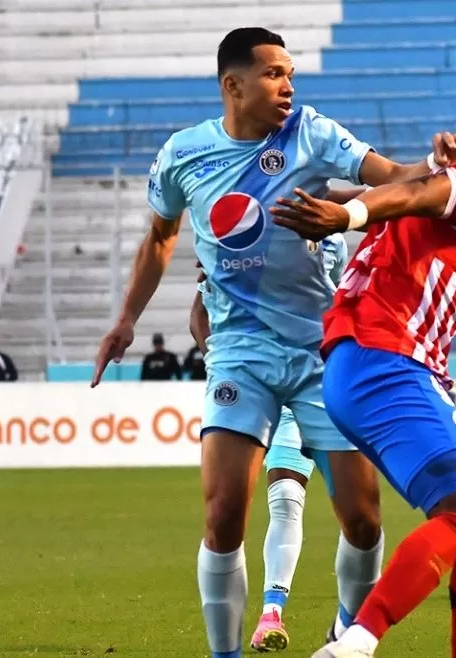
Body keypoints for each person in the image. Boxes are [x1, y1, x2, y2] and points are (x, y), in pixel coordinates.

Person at [90, 27, 456, 658]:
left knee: (363, 518)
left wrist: (439, 162)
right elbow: (161, 237)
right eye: (273, 74)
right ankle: (226, 654)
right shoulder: (184, 155)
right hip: (240, 346)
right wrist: (127, 318)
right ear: (232, 85)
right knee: (222, 516)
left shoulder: (312, 133)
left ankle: (345, 631)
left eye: (291, 74)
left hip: (326, 351)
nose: (288, 86)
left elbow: (396, 176)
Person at [271, 89, 456, 658]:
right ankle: (354, 644)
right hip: (386, 359)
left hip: (376, 363)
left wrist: (333, 203)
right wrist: (348, 214)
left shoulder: (450, 176)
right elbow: (422, 190)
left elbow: (402, 191)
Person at [190, 235, 349, 652]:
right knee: (278, 499)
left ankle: (344, 623)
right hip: (256, 377)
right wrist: (223, 360)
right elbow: (199, 313)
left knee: (355, 514)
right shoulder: (241, 229)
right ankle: (271, 613)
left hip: (311, 380)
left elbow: (339, 307)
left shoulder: (332, 239)